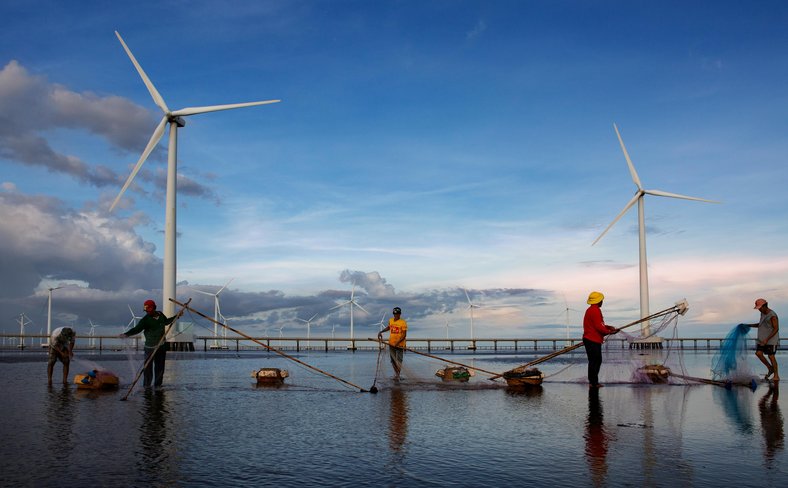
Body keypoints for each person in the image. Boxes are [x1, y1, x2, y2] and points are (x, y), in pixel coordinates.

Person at [120, 299, 183, 387]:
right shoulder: (145, 320)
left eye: (149, 310)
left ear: (154, 308)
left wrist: (177, 316)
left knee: (160, 368)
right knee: (147, 369)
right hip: (150, 348)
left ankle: (157, 386)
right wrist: (126, 334)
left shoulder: (160, 314)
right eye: (146, 310)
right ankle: (147, 387)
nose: (147, 312)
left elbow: (166, 322)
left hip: (161, 347)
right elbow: (137, 329)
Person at [583, 292, 618, 388]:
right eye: (601, 300)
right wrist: (610, 332)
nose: (602, 302)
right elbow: (599, 327)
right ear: (598, 301)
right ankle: (593, 383)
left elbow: (599, 325)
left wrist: (608, 327)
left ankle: (593, 382)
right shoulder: (595, 310)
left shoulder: (591, 310)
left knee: (595, 361)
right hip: (592, 339)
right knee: (595, 361)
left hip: (591, 339)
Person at [744, 298, 780, 382]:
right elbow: (760, 324)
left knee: (771, 356)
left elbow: (776, 328)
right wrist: (749, 325)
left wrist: (767, 340)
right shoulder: (762, 314)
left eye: (760, 308)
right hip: (762, 339)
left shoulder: (772, 315)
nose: (759, 310)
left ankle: (776, 376)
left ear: (764, 306)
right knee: (758, 353)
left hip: (771, 340)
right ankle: (770, 368)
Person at [378, 307, 407, 380]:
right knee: (393, 361)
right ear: (393, 314)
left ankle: (398, 375)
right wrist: (381, 331)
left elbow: (404, 335)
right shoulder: (391, 320)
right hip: (391, 344)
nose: (396, 315)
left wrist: (397, 342)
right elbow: (388, 327)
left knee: (399, 360)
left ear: (400, 314)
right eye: (395, 314)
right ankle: (396, 374)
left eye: (397, 314)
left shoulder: (403, 322)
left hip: (400, 345)